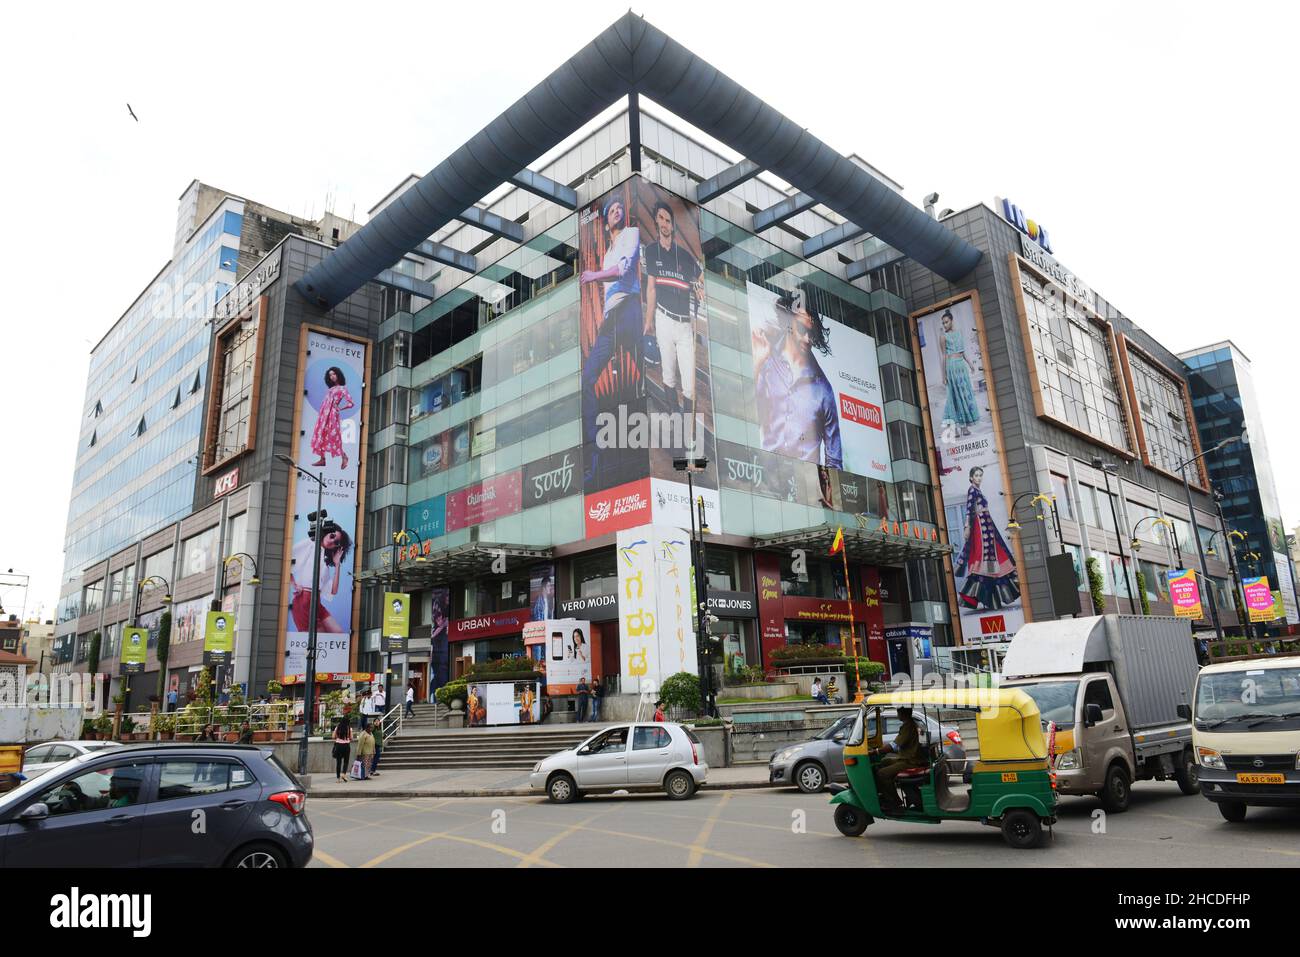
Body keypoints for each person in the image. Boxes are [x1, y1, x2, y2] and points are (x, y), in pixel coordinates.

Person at [580, 193, 642, 485]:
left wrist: (593, 276)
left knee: (643, 370)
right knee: (588, 378)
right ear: (606, 223)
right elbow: (610, 279)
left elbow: (624, 269)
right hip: (611, 319)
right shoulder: (606, 254)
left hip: (629, 310)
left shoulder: (632, 233)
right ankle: (595, 454)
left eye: (620, 208)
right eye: (612, 210)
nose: (617, 211)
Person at [753, 288, 842, 468]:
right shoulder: (767, 364)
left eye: (812, 333)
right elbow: (745, 414)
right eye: (802, 330)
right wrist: (757, 363)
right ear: (788, 324)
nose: (808, 339)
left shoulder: (824, 390)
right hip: (767, 480)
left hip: (806, 489)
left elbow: (834, 460)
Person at [642, 199, 704, 415]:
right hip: (663, 319)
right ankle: (674, 417)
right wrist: (648, 321)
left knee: (689, 385)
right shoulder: (651, 252)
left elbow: (701, 278)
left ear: (672, 225)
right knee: (668, 375)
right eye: (661, 218)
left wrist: (699, 288)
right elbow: (651, 289)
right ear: (656, 222)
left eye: (668, 220)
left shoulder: (684, 256)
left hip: (685, 325)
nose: (665, 223)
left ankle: (687, 426)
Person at [955, 466, 1020, 611]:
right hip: (980, 527)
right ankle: (986, 597)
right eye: (976, 475)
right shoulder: (972, 490)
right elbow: (969, 509)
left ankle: (992, 599)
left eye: (980, 475)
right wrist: (967, 527)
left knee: (993, 558)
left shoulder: (978, 491)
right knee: (983, 558)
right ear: (971, 477)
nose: (979, 478)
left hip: (987, 526)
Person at [290, 522, 351, 633]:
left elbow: (333, 590)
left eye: (336, 542)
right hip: (304, 601)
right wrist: (294, 584)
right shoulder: (309, 544)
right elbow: (286, 560)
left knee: (338, 632)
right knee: (318, 640)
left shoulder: (325, 562)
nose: (332, 541)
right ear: (326, 533)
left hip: (316, 602)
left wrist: (337, 565)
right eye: (332, 536)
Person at [872, 706, 927, 813]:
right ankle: (885, 792)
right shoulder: (911, 724)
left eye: (898, 712)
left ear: (903, 713)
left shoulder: (908, 726)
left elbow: (894, 745)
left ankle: (893, 801)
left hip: (910, 761)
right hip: (907, 757)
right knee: (884, 762)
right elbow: (901, 746)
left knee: (882, 774)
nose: (897, 714)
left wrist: (877, 751)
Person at [939, 309, 980, 436]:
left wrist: (970, 363)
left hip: (961, 367)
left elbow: (962, 351)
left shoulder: (959, 333)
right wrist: (944, 376)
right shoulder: (943, 337)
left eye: (946, 322)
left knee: (965, 395)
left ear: (951, 321)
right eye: (943, 323)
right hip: (951, 367)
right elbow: (944, 356)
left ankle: (964, 427)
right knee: (954, 397)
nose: (945, 325)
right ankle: (955, 427)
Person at [311, 366, 355, 469]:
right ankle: (322, 459)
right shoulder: (330, 389)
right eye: (330, 375)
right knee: (321, 434)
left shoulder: (342, 388)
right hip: (324, 414)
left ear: (338, 374)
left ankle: (344, 456)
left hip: (332, 415)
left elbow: (351, 403)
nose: (332, 377)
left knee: (334, 437)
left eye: (334, 374)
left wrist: (340, 408)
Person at [332, 717, 353, 783]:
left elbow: (333, 737)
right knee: (346, 761)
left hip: (338, 746)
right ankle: (343, 774)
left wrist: (338, 738)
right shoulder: (349, 728)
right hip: (346, 746)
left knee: (338, 762)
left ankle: (338, 779)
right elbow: (351, 738)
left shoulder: (337, 727)